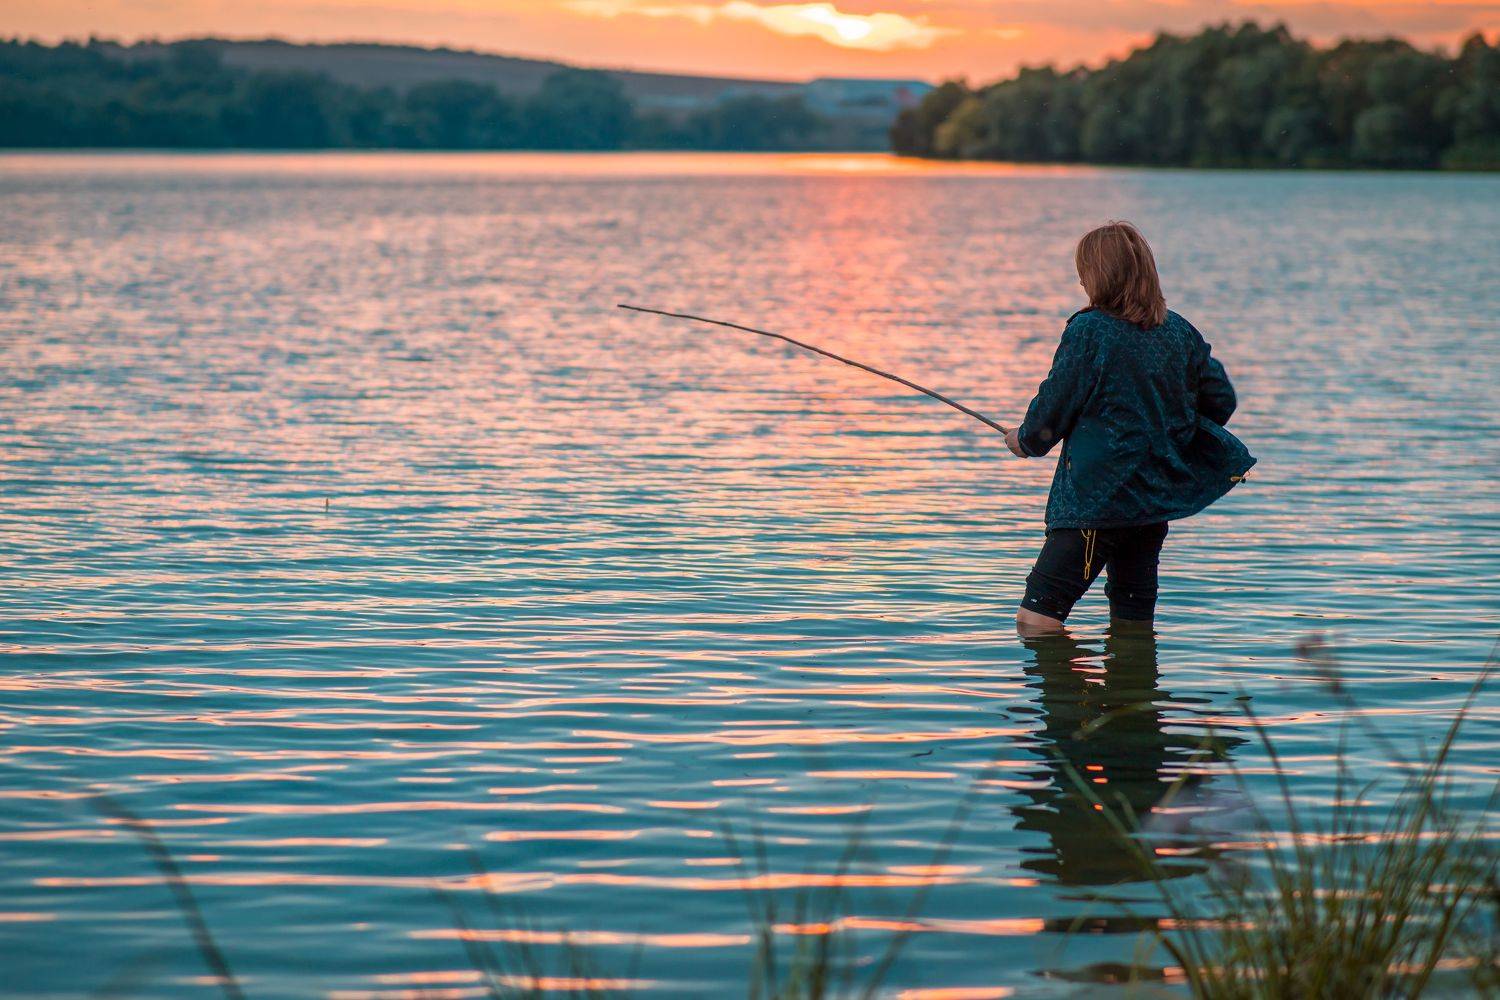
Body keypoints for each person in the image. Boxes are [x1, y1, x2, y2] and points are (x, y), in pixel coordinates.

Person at [1004, 222, 1254, 635]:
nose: (1081, 281)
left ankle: (1080, 680)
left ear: (1099, 275)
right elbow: (1221, 401)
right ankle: (1129, 681)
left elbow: (1054, 406)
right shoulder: (1178, 330)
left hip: (1096, 504)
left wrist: (1025, 440)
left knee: (1035, 621)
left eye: (1084, 271)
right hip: (1151, 505)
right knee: (1132, 625)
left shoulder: (1088, 330)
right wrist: (1169, 424)